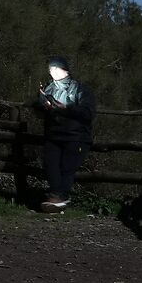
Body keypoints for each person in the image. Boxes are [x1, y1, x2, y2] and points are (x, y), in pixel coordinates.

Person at [34, 56, 96, 211]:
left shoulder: (80, 89)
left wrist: (67, 109)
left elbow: (88, 112)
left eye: (57, 68)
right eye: (51, 69)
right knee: (51, 165)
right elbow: (37, 107)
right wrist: (44, 106)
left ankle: (59, 197)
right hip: (53, 135)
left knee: (67, 168)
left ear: (66, 70)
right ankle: (56, 197)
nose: (53, 72)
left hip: (76, 137)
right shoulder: (49, 88)